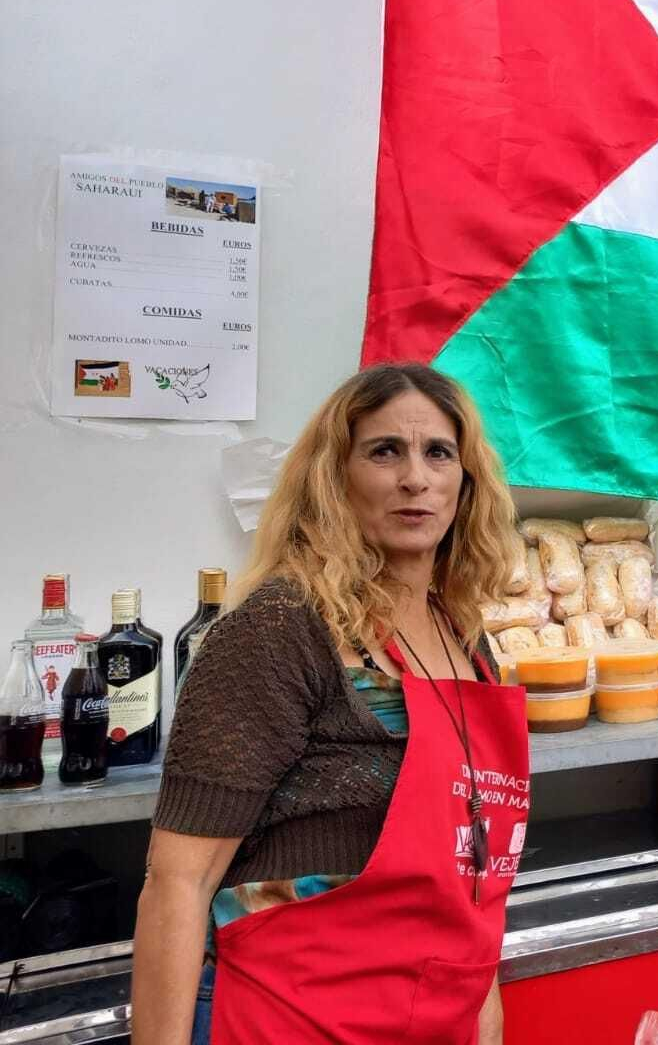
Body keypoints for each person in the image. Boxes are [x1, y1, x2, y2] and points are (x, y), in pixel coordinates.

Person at [131, 363, 529, 1045]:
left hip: (432, 1015)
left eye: (438, 452)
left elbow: (474, 873)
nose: (415, 479)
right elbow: (178, 883)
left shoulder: (464, 634)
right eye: (384, 451)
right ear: (334, 476)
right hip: (291, 1014)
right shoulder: (282, 627)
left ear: (466, 482)